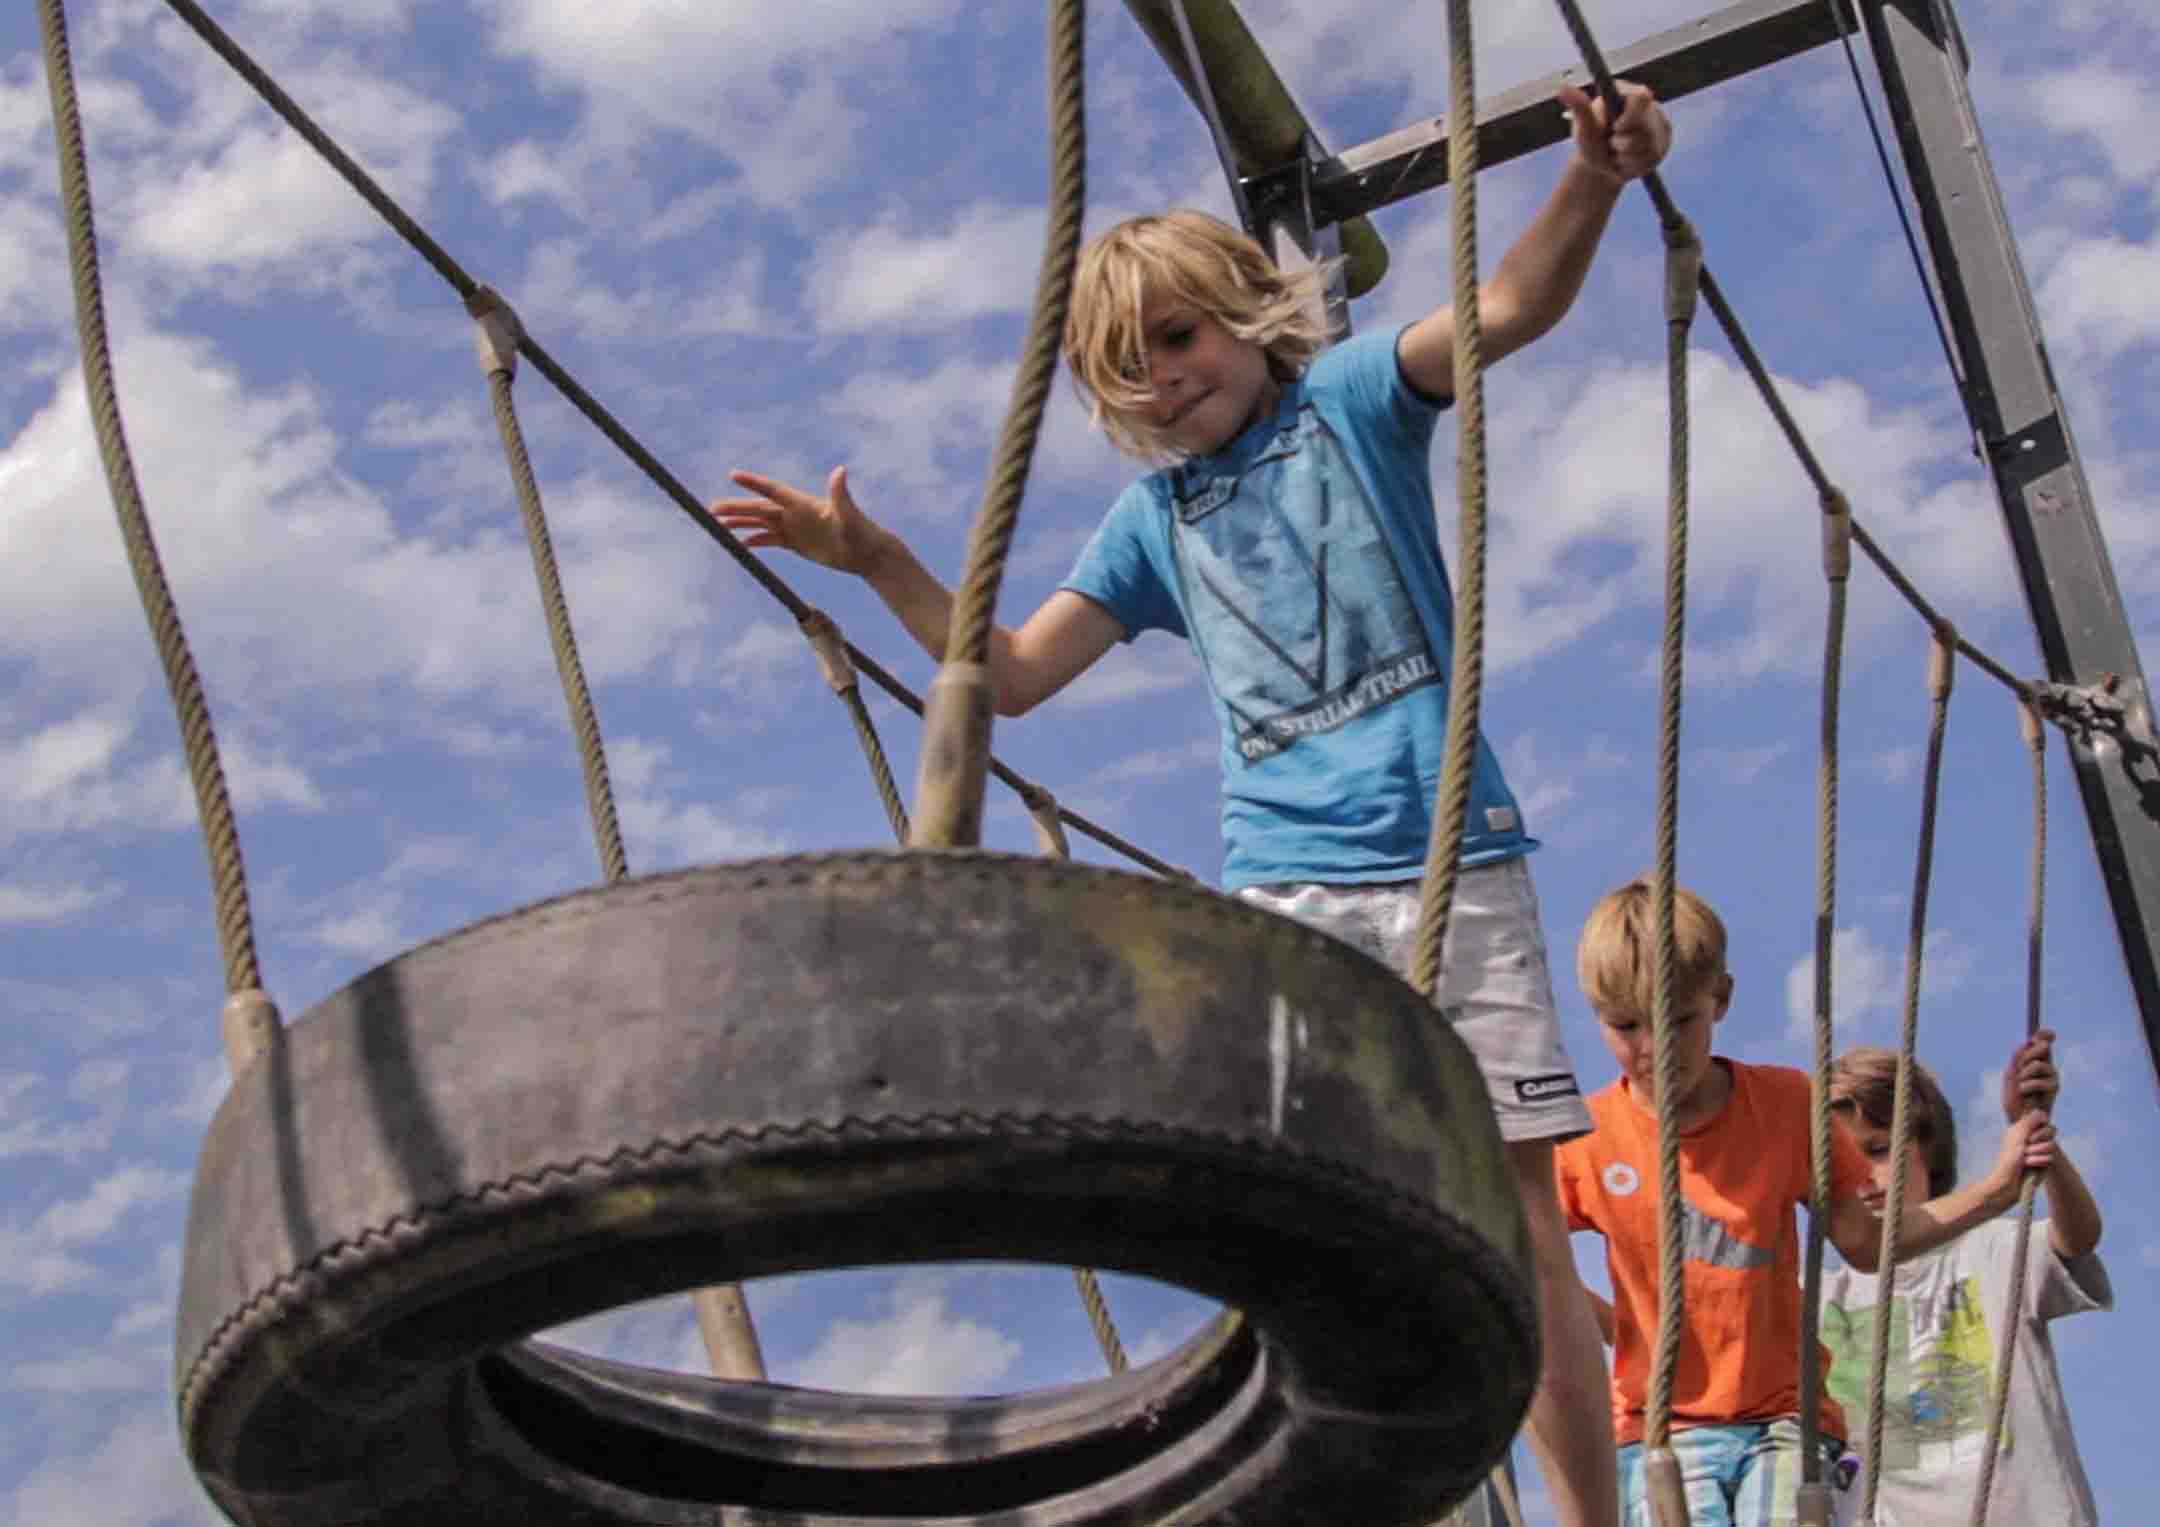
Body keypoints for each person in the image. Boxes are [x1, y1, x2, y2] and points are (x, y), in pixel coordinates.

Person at [709, 82, 1674, 1527]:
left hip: (1448, 865)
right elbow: (1016, 672)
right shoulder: (1153, 523)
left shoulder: (1352, 402)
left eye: (1182, 334)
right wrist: (880, 557)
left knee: (1518, 1209)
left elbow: (1505, 308)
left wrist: (1591, 182)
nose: (1166, 374)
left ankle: (1588, 1515)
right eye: (1130, 364)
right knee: (1323, 1224)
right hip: (1288, 895)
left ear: (1246, 316)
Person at [1555, 879, 2054, 1527]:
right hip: (1660, 1433)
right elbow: (1527, 1259)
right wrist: (1614, 1328)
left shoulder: (1789, 1104)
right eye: (1625, 1025)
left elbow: (1864, 1243)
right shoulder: (1587, 1138)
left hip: (1785, 1420)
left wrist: (1996, 1189)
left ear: (1722, 998)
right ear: (1596, 1016)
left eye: (1679, 1019)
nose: (1653, 1048)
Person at [1819, 1033, 2109, 1526]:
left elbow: (2077, 1237)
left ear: (1927, 1149)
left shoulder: (1991, 1248)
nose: (1863, 1176)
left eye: (1877, 1149)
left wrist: (2034, 1136)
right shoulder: (1821, 1298)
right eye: (1842, 1162)